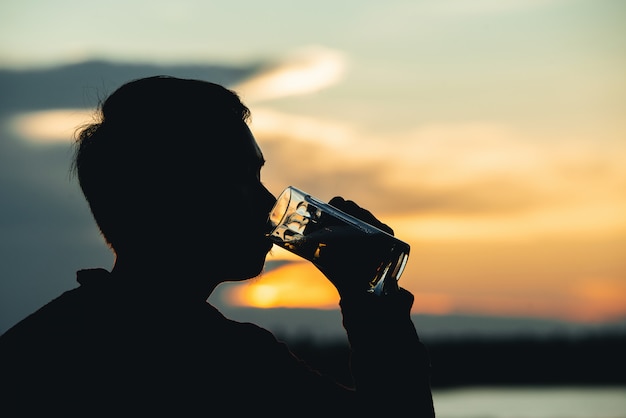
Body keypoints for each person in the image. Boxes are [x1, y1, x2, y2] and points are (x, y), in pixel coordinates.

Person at [0, 75, 435, 416]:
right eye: (244, 177)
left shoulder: (39, 345)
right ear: (173, 191)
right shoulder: (228, 364)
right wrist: (372, 307)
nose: (269, 203)